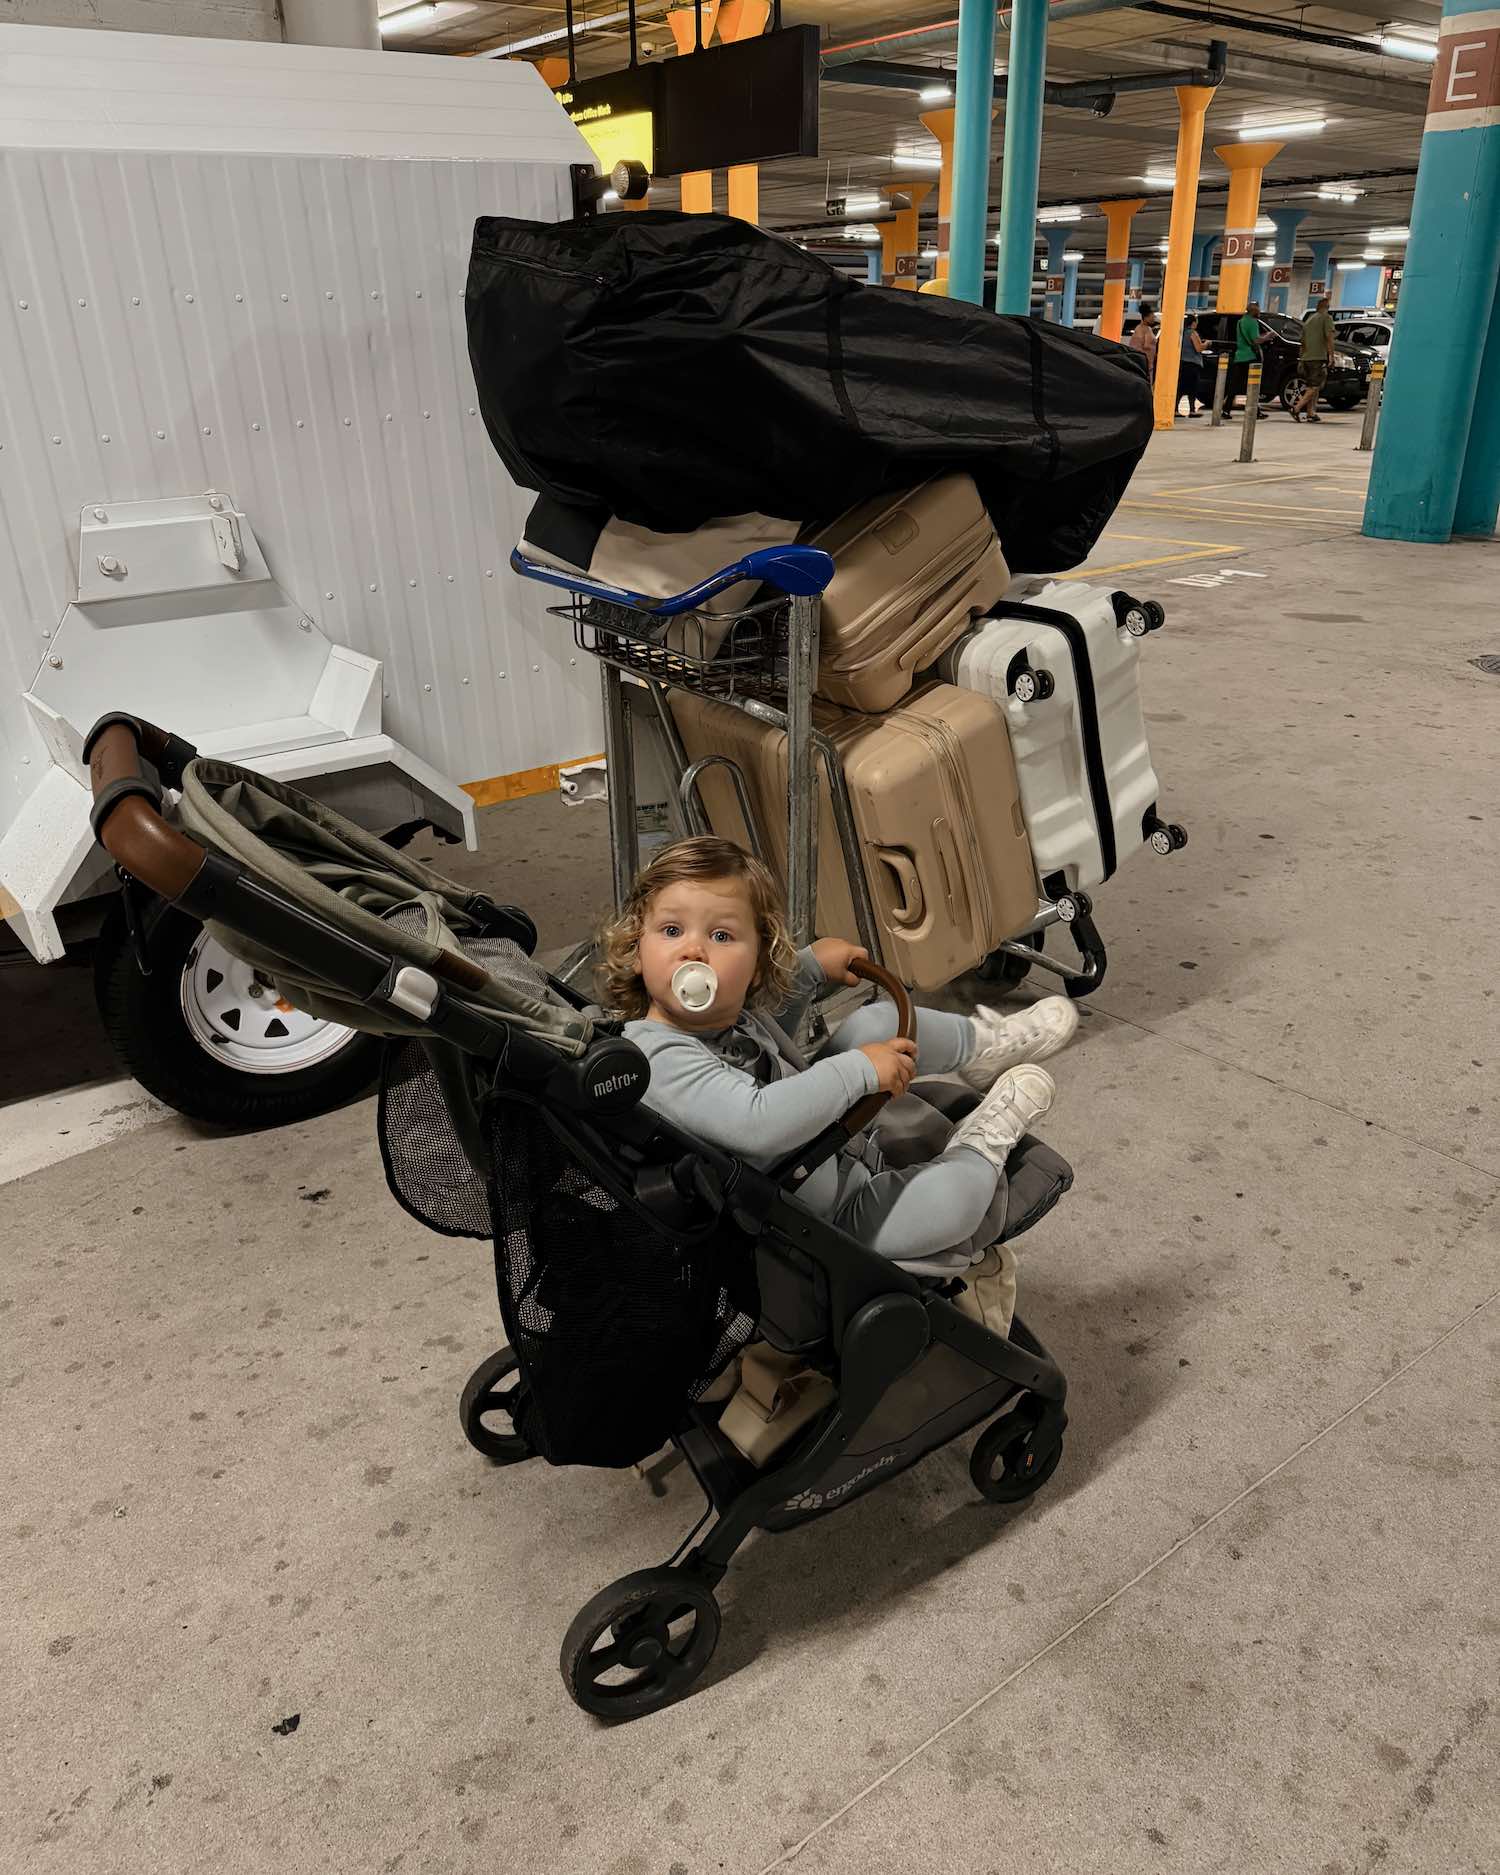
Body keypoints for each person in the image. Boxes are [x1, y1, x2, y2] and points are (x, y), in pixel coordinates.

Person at [600, 836, 1077, 1334]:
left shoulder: (720, 1015)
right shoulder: (656, 1056)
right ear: (637, 950)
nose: (693, 950)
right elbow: (755, 1123)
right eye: (671, 929)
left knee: (879, 1022)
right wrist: (856, 1073)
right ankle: (981, 1142)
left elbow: (773, 1039)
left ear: (759, 960)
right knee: (952, 1206)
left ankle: (984, 1045)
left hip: (823, 1148)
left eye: (721, 936)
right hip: (815, 1219)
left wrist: (805, 972)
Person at [1293, 294, 1337, 423]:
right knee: (1315, 386)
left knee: (1312, 386)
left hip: (1306, 358)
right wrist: (1331, 356)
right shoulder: (1326, 318)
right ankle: (1297, 408)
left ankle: (1311, 412)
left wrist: (1301, 359)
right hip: (1318, 358)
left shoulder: (1309, 321)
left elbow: (1303, 342)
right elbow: (1329, 338)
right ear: (1327, 307)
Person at [1226, 299, 1264, 413]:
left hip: (1240, 356)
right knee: (1252, 385)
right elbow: (1256, 340)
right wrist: (1268, 337)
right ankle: (1255, 411)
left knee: (1235, 384)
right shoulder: (1253, 322)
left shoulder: (1241, 321)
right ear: (1254, 311)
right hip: (1250, 357)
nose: (1259, 312)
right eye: (1258, 310)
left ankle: (1226, 408)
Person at [1178, 313, 1208, 416]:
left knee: (1181, 387)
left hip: (1182, 363)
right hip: (1192, 364)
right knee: (1192, 388)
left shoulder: (1182, 333)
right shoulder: (1193, 333)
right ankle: (1191, 410)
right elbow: (1198, 348)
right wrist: (1207, 344)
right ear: (1193, 323)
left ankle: (1174, 410)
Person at [1129, 300, 1159, 379]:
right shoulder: (1146, 329)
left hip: (1140, 360)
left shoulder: (1139, 328)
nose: (1154, 319)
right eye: (1152, 317)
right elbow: (1147, 345)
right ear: (1146, 317)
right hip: (1145, 362)